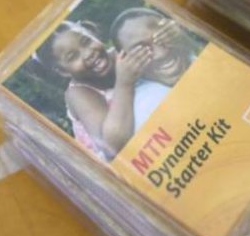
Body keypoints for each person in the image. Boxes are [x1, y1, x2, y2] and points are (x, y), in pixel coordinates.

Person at [34, 20, 153, 161]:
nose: (88, 54)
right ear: (63, 71)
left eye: (86, 41)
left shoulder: (120, 56)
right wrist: (124, 83)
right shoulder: (78, 93)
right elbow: (113, 146)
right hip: (124, 162)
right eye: (73, 56)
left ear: (93, 33)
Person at [110, 9, 198, 130]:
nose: (161, 53)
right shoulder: (146, 108)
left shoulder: (194, 54)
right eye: (141, 51)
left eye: (163, 37)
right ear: (125, 61)